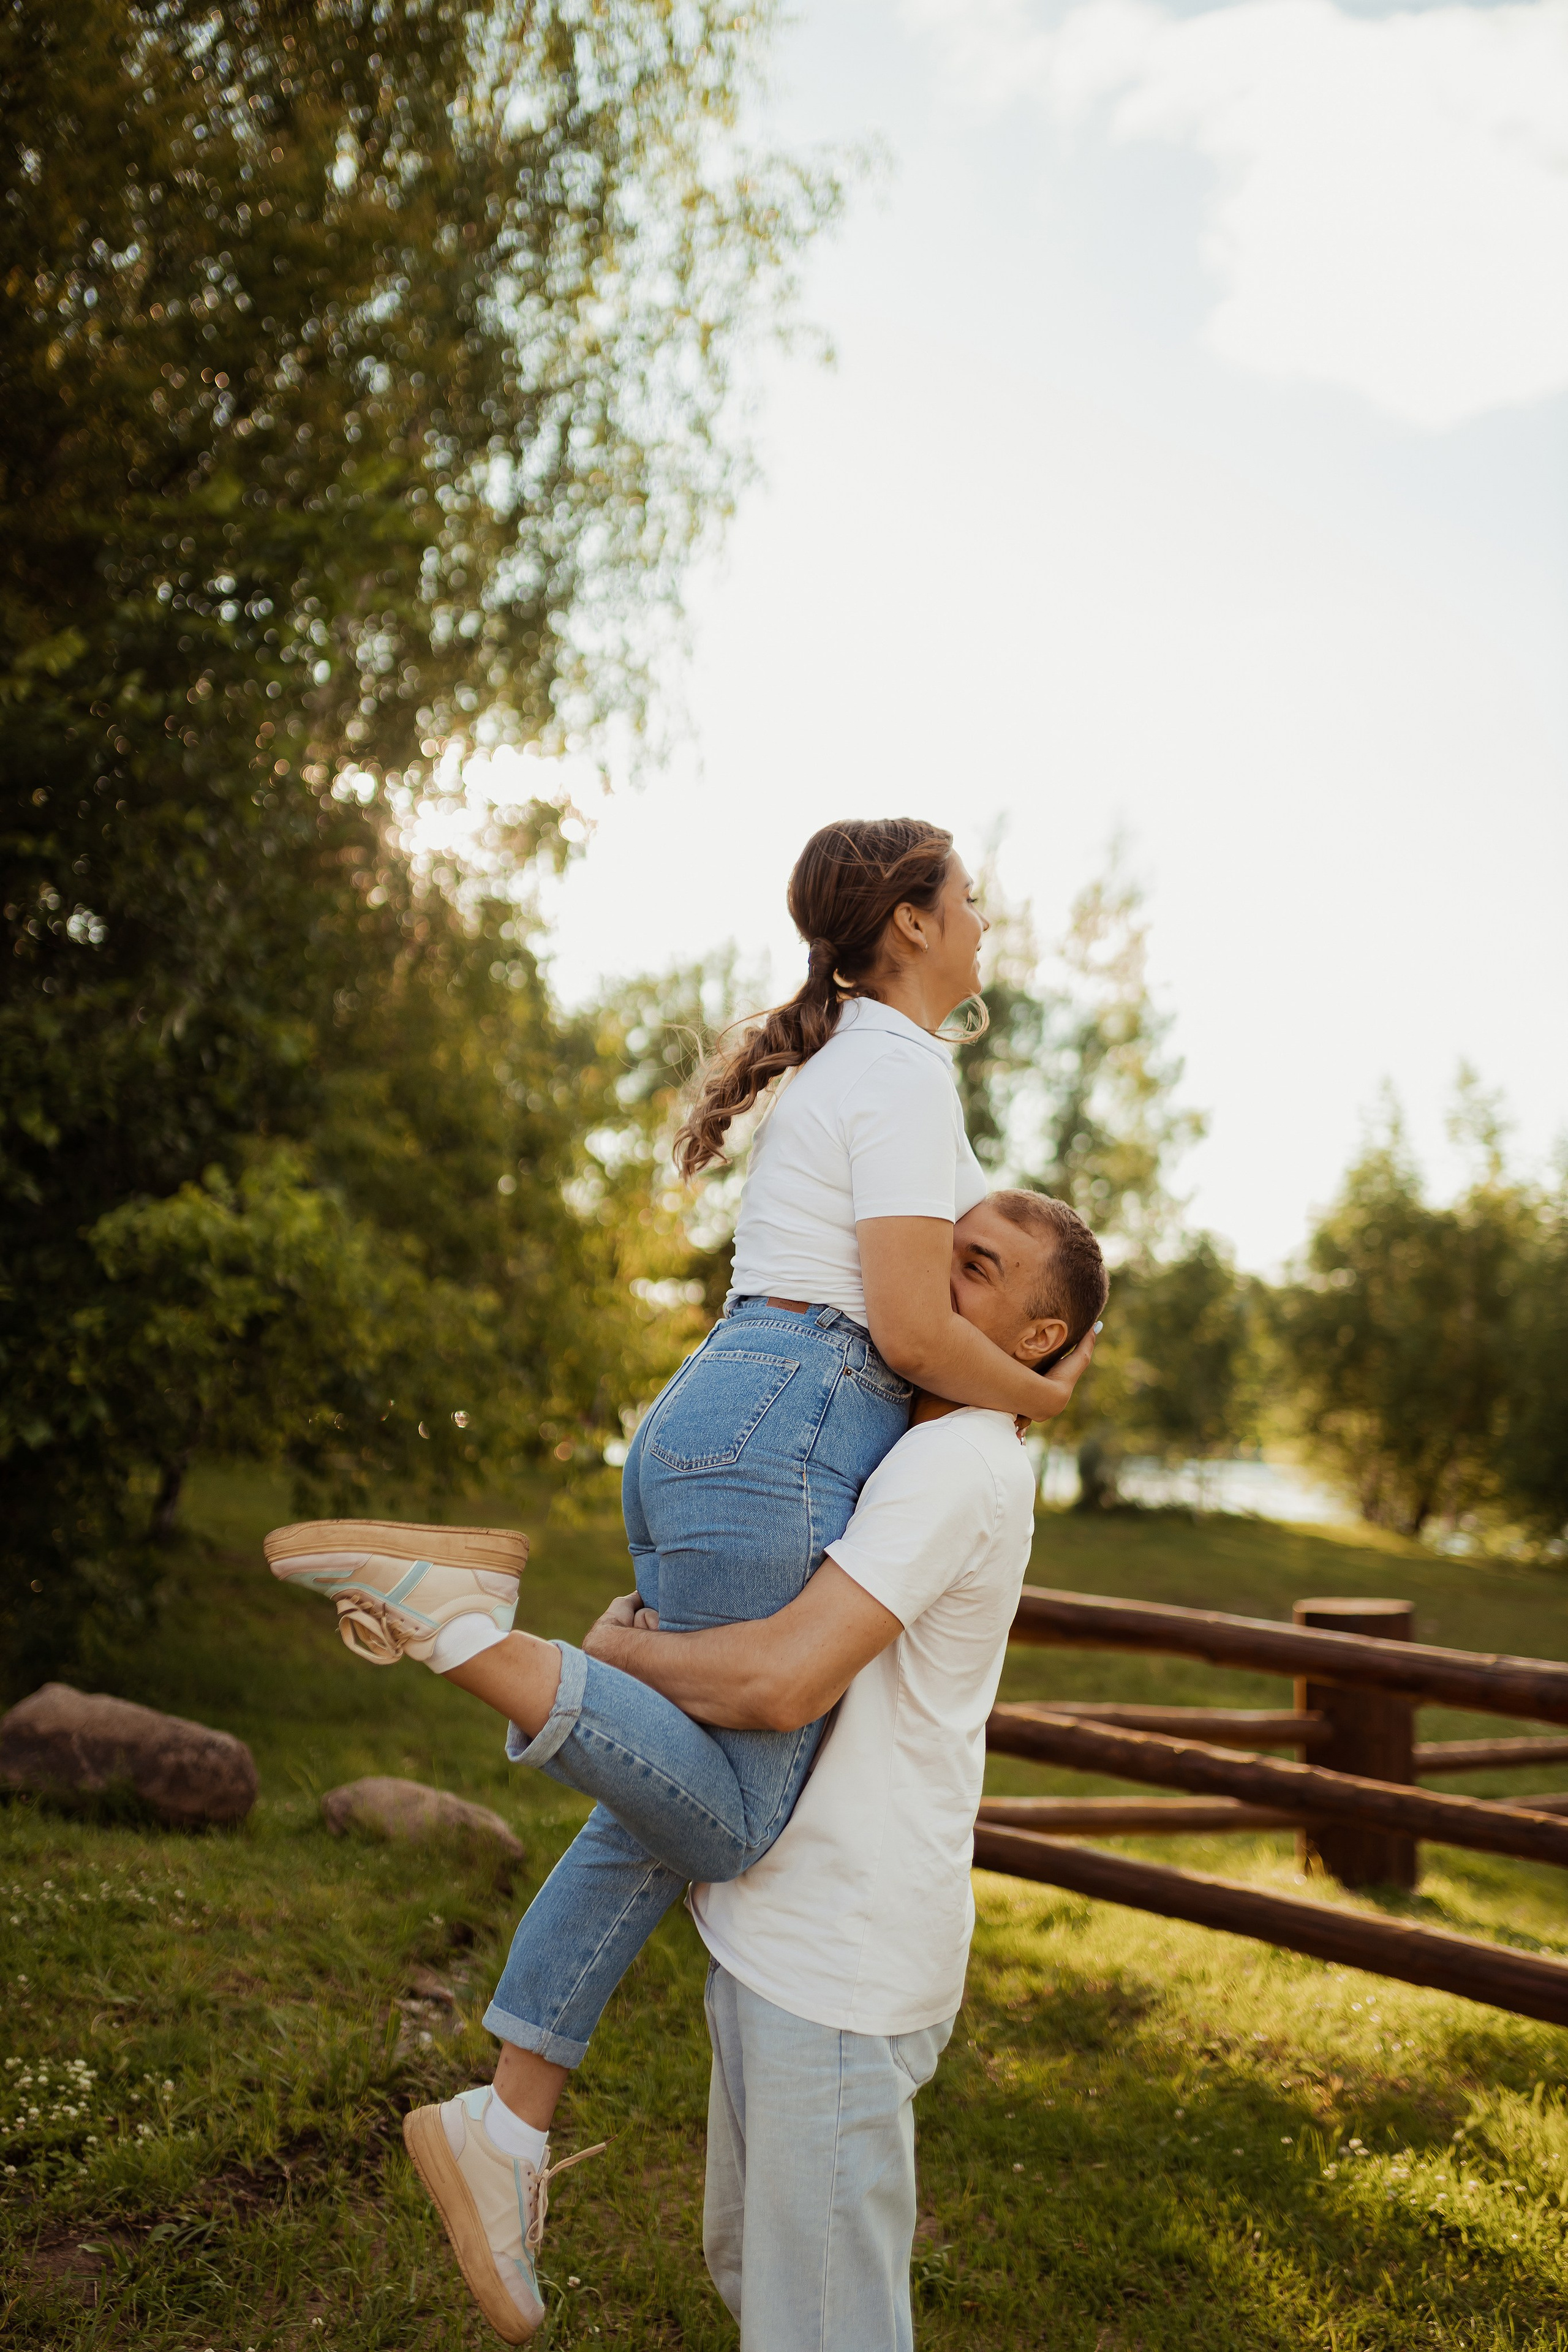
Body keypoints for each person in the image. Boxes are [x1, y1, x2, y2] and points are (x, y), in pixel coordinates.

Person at [265, 818, 1098, 2331]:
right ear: (907, 925)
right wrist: (1052, 1394)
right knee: (734, 1810)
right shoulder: (902, 1068)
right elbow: (913, 1333)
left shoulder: (852, 1057)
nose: (982, 925)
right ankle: (464, 1633)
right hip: (796, 1416)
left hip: (727, 1411)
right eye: (966, 901)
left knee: (677, 1795)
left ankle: (507, 2126)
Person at [394, 1190, 1107, 2348]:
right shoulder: (902, 1437)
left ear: (1037, 1338)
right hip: (776, 1931)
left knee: (819, 2324)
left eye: (977, 1268)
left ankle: (464, 1636)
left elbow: (779, 1685)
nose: (937, 1274)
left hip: (842, 1952)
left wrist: (618, 1651)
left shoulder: (961, 1463)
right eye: (943, 1247)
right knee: (755, 2271)